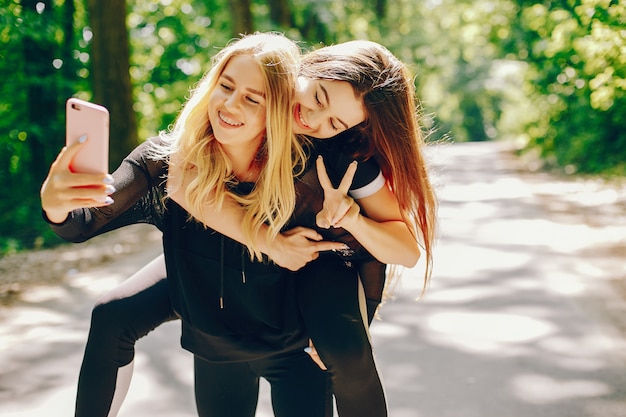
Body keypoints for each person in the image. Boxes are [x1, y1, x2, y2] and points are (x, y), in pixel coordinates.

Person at [42, 38, 438, 417]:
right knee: (112, 315)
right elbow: (165, 187)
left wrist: (349, 221)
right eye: (316, 97)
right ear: (301, 72)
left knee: (347, 355)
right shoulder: (181, 153)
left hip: (290, 331)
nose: (313, 119)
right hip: (218, 326)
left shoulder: (330, 162)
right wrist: (56, 203)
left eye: (334, 121)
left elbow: (393, 252)